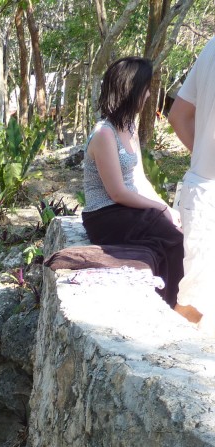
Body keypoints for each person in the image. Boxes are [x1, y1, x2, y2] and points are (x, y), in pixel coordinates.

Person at [82, 56, 184, 308]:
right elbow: (117, 192)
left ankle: (167, 300)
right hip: (104, 214)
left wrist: (166, 207)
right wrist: (158, 210)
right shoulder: (104, 134)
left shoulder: (129, 126)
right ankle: (166, 306)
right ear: (131, 90)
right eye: (146, 88)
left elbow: (139, 178)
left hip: (126, 209)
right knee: (172, 240)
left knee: (175, 232)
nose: (149, 95)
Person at [168, 36, 215, 326]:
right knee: (194, 312)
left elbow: (178, 116)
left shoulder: (211, 45)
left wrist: (202, 155)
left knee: (192, 308)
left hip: (202, 191)